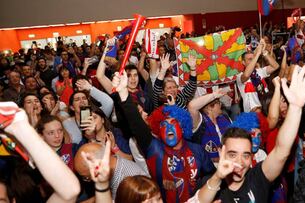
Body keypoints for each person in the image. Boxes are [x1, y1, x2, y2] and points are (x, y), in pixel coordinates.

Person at [188, 65, 305, 203]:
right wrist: (217, 177)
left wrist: (295, 108)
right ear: (221, 152)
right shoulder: (209, 186)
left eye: (246, 155)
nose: (240, 162)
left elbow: (282, 151)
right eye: (232, 154)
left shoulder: (257, 178)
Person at [112, 71, 215, 202]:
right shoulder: (155, 150)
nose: (168, 128)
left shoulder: (196, 150)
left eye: (173, 123)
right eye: (164, 125)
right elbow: (137, 124)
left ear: (182, 127)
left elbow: (211, 177)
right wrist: (123, 94)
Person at [0, 101, 80, 202]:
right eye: (51, 132)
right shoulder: (28, 166)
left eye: (60, 131)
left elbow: (70, 190)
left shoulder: (72, 148)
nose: (57, 136)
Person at [74, 142, 148, 200]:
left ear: (98, 169)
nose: (87, 180)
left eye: (86, 177)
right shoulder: (115, 161)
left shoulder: (126, 185)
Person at [187, 88, 232, 162]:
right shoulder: (199, 122)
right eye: (218, 103)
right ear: (209, 108)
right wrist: (214, 95)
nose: (221, 104)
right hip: (209, 167)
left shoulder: (225, 118)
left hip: (229, 161)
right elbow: (192, 106)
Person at [236, 39, 279, 112]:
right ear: (243, 62)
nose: (253, 61)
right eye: (250, 59)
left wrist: (264, 52)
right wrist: (257, 55)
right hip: (252, 113)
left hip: (266, 108)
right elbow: (246, 75)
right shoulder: (239, 76)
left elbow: (275, 66)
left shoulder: (259, 72)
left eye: (253, 59)